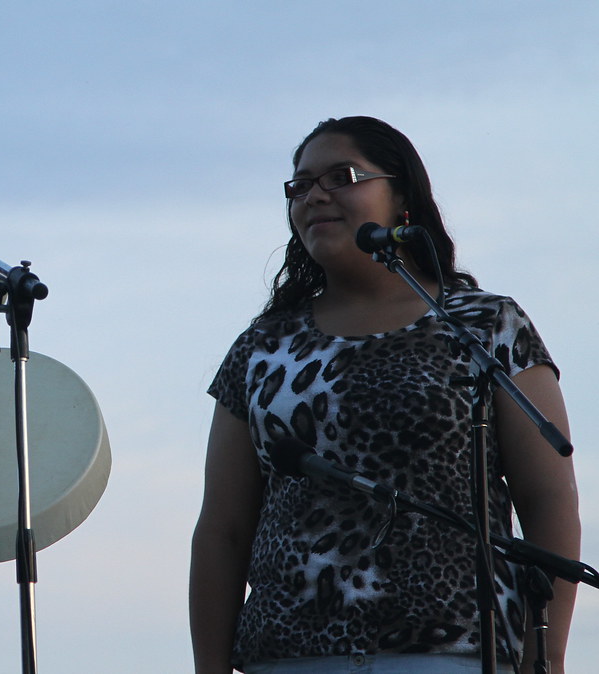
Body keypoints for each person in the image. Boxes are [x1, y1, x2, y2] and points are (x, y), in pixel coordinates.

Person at [189, 116, 579, 673]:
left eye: (341, 177)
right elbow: (222, 529)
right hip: (288, 654)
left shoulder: (485, 325)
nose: (314, 196)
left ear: (402, 198)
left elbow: (548, 501)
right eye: (300, 185)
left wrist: (547, 657)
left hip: (455, 651)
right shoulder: (262, 347)